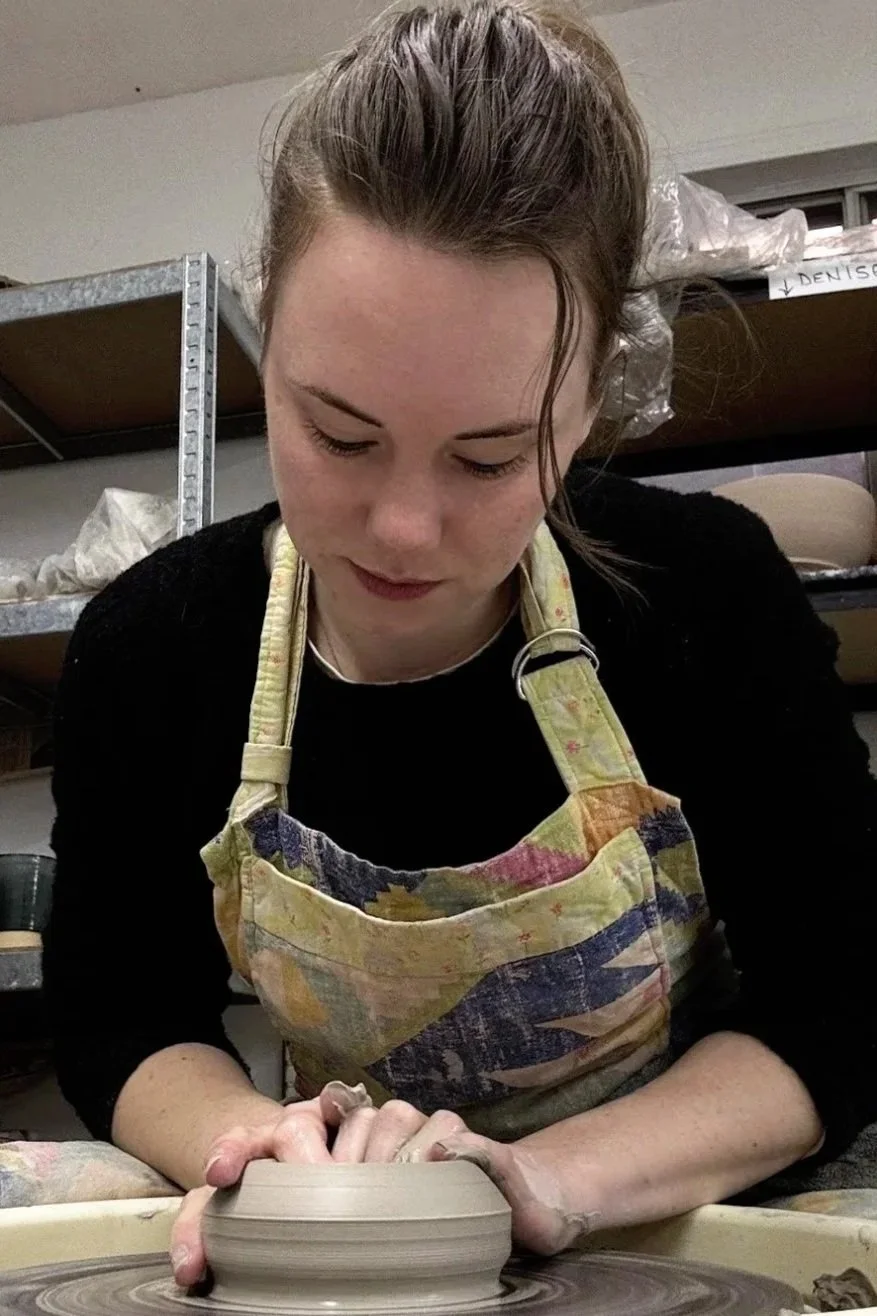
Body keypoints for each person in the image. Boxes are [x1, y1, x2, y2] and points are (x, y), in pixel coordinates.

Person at [44, 0, 877, 1290]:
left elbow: (844, 1001)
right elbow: (117, 1012)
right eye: (341, 434)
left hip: (661, 1198)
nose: (406, 527)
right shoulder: (156, 645)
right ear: (271, 345)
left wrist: (546, 1182)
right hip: (337, 1217)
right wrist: (247, 1147)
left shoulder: (701, 594)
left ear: (593, 390)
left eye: (491, 455)